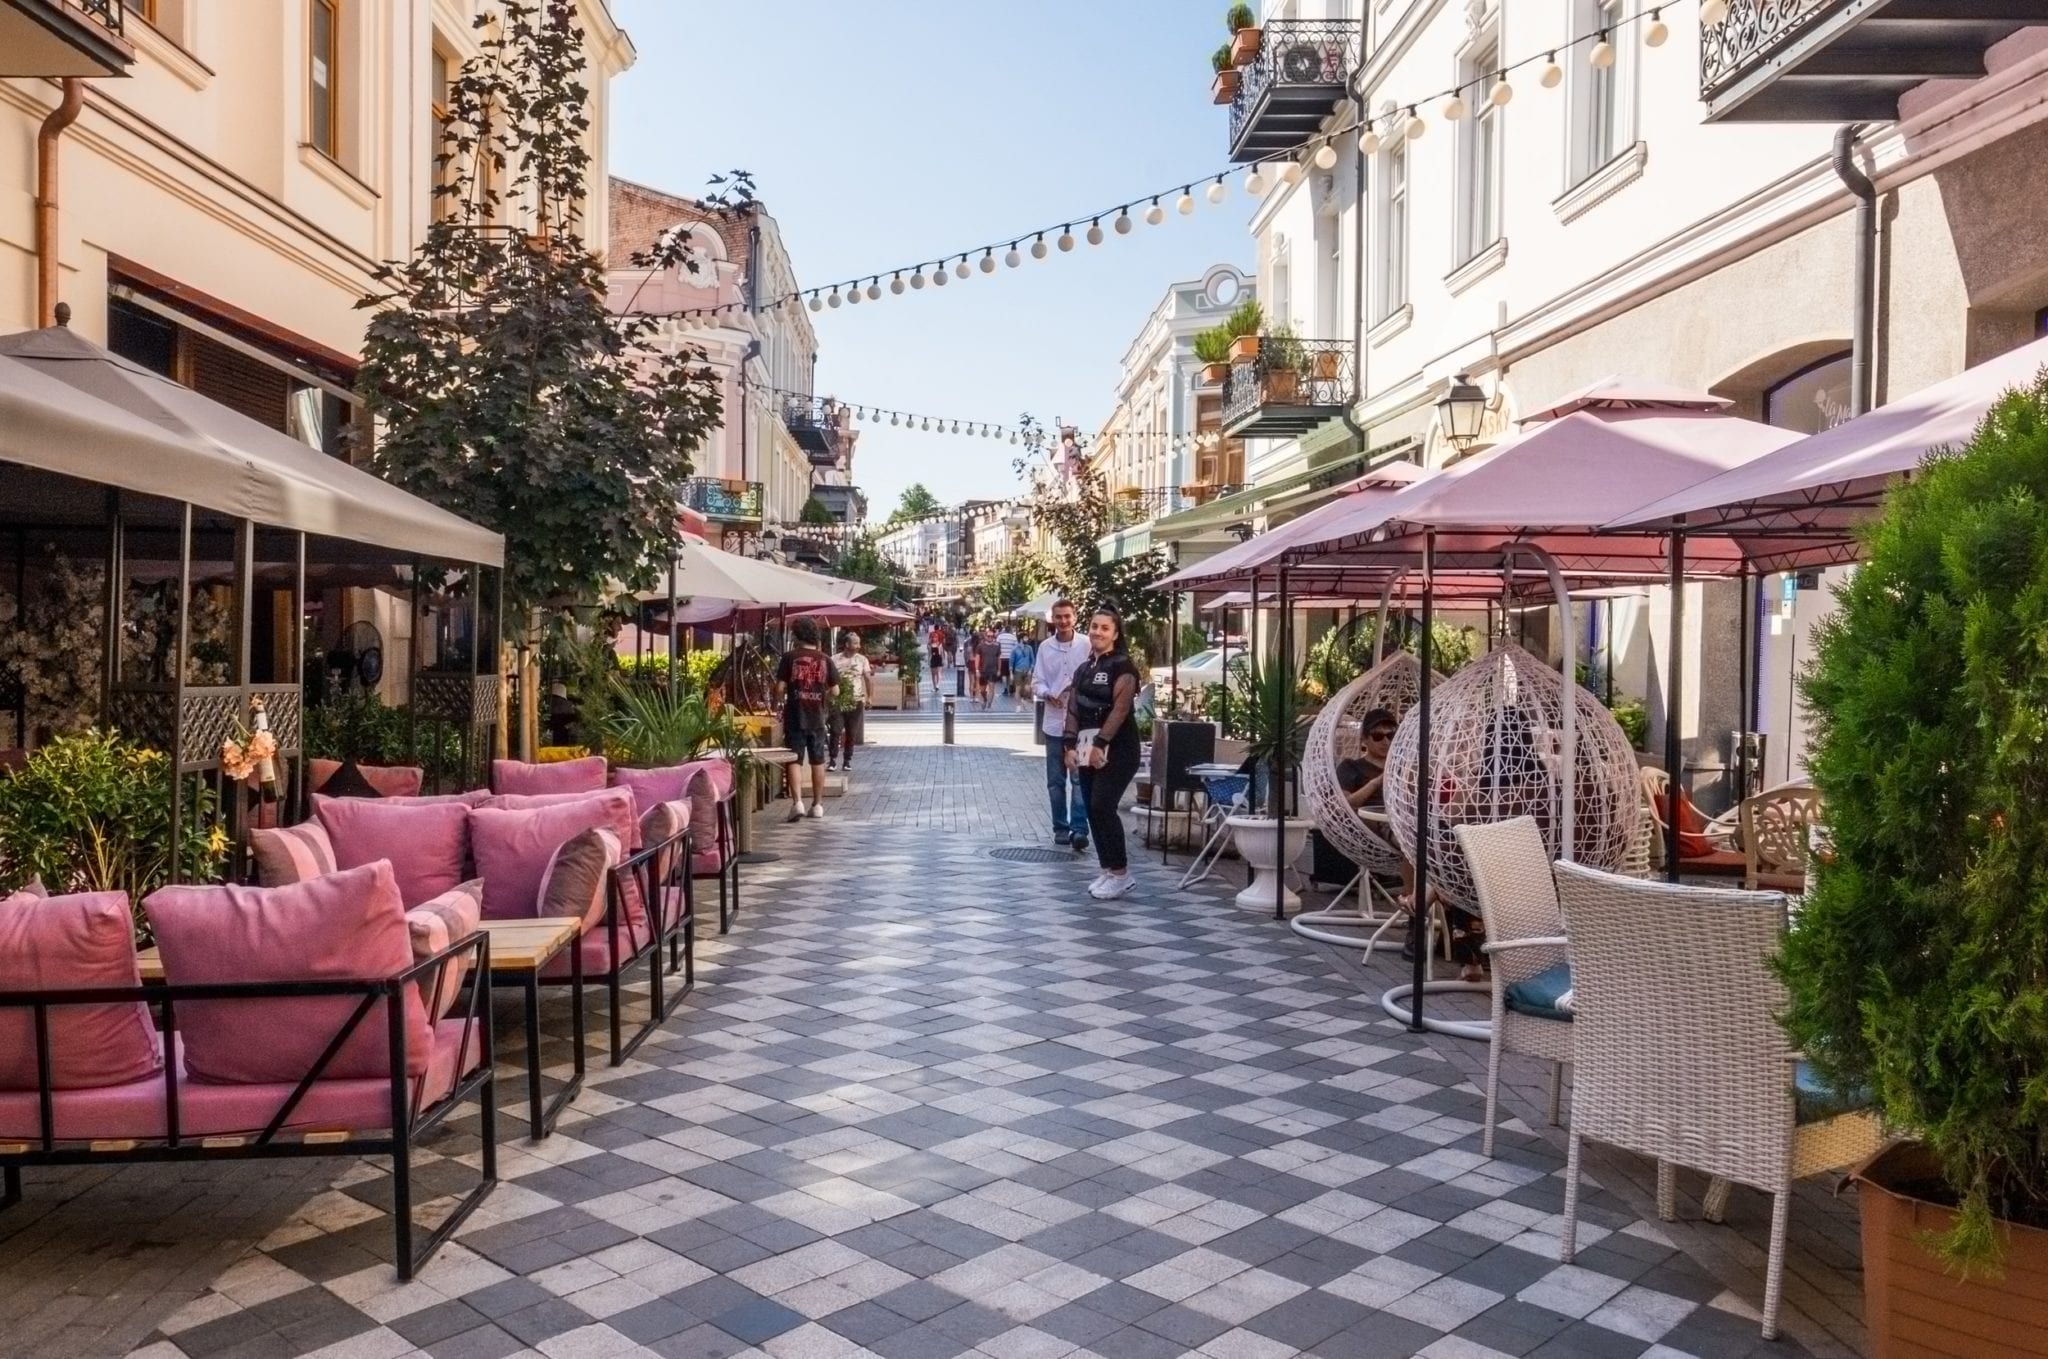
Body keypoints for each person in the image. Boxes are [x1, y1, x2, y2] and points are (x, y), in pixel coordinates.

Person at [1064, 606, 1143, 900]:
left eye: (1105, 628)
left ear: (1115, 634)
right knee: (1091, 808)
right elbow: (1073, 708)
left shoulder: (1123, 667)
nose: (1097, 632)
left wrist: (1101, 743)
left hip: (1118, 749)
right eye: (1094, 626)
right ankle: (1108, 869)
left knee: (1101, 805)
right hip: (1085, 750)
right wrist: (1069, 746)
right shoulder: (1083, 669)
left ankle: (1122, 873)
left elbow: (1120, 709)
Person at [1033, 601, 1089, 850]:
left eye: (1067, 616)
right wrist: (1047, 693)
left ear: (1074, 618)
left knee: (1079, 778)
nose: (1063, 621)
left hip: (1080, 723)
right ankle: (1060, 827)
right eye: (1059, 617)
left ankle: (1079, 829)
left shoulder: (1086, 645)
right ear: (1052, 619)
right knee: (1056, 780)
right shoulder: (1045, 647)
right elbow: (1037, 681)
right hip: (1055, 722)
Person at [773, 617, 838, 821]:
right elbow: (835, 690)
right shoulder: (826, 659)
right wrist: (821, 697)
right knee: (818, 760)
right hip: (817, 717)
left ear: (796, 636)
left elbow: (780, 688)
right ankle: (817, 805)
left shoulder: (789, 657)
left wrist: (777, 702)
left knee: (794, 759)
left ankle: (797, 803)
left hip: (795, 715)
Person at [827, 629, 872, 772]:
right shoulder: (834, 659)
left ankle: (847, 760)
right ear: (847, 644)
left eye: (859, 643)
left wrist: (870, 697)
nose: (858, 646)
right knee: (835, 730)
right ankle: (833, 759)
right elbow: (827, 679)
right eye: (855, 643)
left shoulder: (862, 660)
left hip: (856, 700)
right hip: (838, 700)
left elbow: (868, 678)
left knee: (851, 732)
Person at [1336, 708, 1398, 810]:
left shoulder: (1401, 768)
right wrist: (1376, 782)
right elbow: (1345, 805)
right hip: (1363, 822)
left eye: (1390, 736)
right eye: (1377, 736)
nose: (1385, 742)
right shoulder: (1350, 767)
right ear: (1364, 739)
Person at [974, 627, 1002, 710]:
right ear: (985, 636)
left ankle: (989, 704)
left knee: (992, 687)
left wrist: (999, 669)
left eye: (992, 636)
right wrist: (977, 670)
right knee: (982, 689)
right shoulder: (980, 646)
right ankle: (985, 699)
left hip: (993, 670)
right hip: (983, 670)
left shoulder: (997, 646)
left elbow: (999, 658)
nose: (990, 638)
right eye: (989, 636)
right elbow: (977, 658)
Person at [1009, 630, 1035, 700]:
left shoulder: (1029, 648)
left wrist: (1030, 670)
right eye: (1025, 638)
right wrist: (1011, 673)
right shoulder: (1015, 649)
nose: (1027, 639)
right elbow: (1011, 661)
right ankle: (1018, 707)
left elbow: (1033, 660)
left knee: (1027, 689)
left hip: (1027, 671)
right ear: (1021, 639)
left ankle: (1024, 699)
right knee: (1018, 689)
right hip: (1018, 671)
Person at [996, 621, 1018, 694]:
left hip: (1002, 657)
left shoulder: (1000, 636)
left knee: (1004, 674)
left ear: (1005, 629)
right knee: (1010, 674)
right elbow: (1016, 648)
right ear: (1010, 630)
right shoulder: (1014, 637)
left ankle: (1005, 688)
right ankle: (1010, 686)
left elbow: (997, 645)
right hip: (1011, 658)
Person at [927, 621, 948, 695]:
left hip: (939, 658)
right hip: (933, 659)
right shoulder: (930, 645)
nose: (934, 638)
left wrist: (943, 660)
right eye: (933, 637)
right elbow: (929, 653)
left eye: (935, 637)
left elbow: (942, 652)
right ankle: (934, 686)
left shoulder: (940, 645)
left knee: (938, 672)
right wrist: (928, 660)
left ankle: (938, 685)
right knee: (933, 674)